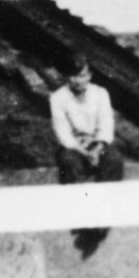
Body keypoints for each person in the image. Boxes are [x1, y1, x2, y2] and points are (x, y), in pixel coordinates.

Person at [49, 58, 124, 186]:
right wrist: (83, 152)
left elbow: (106, 124)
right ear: (67, 76)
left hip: (97, 143)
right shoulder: (57, 97)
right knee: (69, 162)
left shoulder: (100, 93)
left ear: (89, 76)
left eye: (82, 76)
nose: (78, 81)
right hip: (73, 146)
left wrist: (98, 148)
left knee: (114, 159)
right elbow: (62, 132)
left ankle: (106, 200)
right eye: (73, 76)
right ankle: (77, 202)